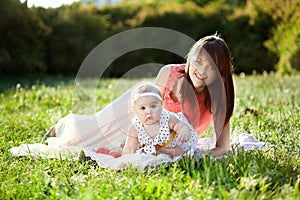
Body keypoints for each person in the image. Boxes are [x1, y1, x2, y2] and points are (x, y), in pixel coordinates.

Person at [43, 34, 234, 158]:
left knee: (114, 150)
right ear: (190, 57)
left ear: (221, 72)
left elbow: (223, 147)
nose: (201, 70)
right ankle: (64, 127)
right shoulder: (171, 73)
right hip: (141, 113)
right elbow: (149, 105)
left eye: (211, 67)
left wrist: (197, 155)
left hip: (165, 134)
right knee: (93, 132)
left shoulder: (219, 97)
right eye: (199, 61)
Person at [122, 83, 197, 157]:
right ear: (134, 110)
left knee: (178, 152)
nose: (148, 111)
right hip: (150, 150)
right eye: (143, 108)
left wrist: (184, 132)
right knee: (142, 155)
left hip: (170, 147)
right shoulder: (135, 127)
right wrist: (126, 158)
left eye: (153, 106)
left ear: (162, 105)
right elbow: (129, 147)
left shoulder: (168, 119)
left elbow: (181, 126)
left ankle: (165, 152)